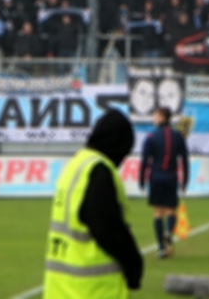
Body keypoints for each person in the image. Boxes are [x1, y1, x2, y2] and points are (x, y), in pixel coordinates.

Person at [43, 110, 143, 298]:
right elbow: (107, 228)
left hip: (60, 288)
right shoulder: (99, 171)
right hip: (92, 289)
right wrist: (134, 265)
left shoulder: (75, 164)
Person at [140, 106, 190, 259]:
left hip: (156, 177)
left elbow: (145, 161)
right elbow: (184, 160)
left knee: (157, 212)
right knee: (170, 211)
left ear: (162, 117)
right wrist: (185, 180)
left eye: (155, 116)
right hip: (171, 177)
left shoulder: (151, 136)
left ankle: (161, 248)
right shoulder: (178, 136)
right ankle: (169, 231)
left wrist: (142, 179)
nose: (154, 119)